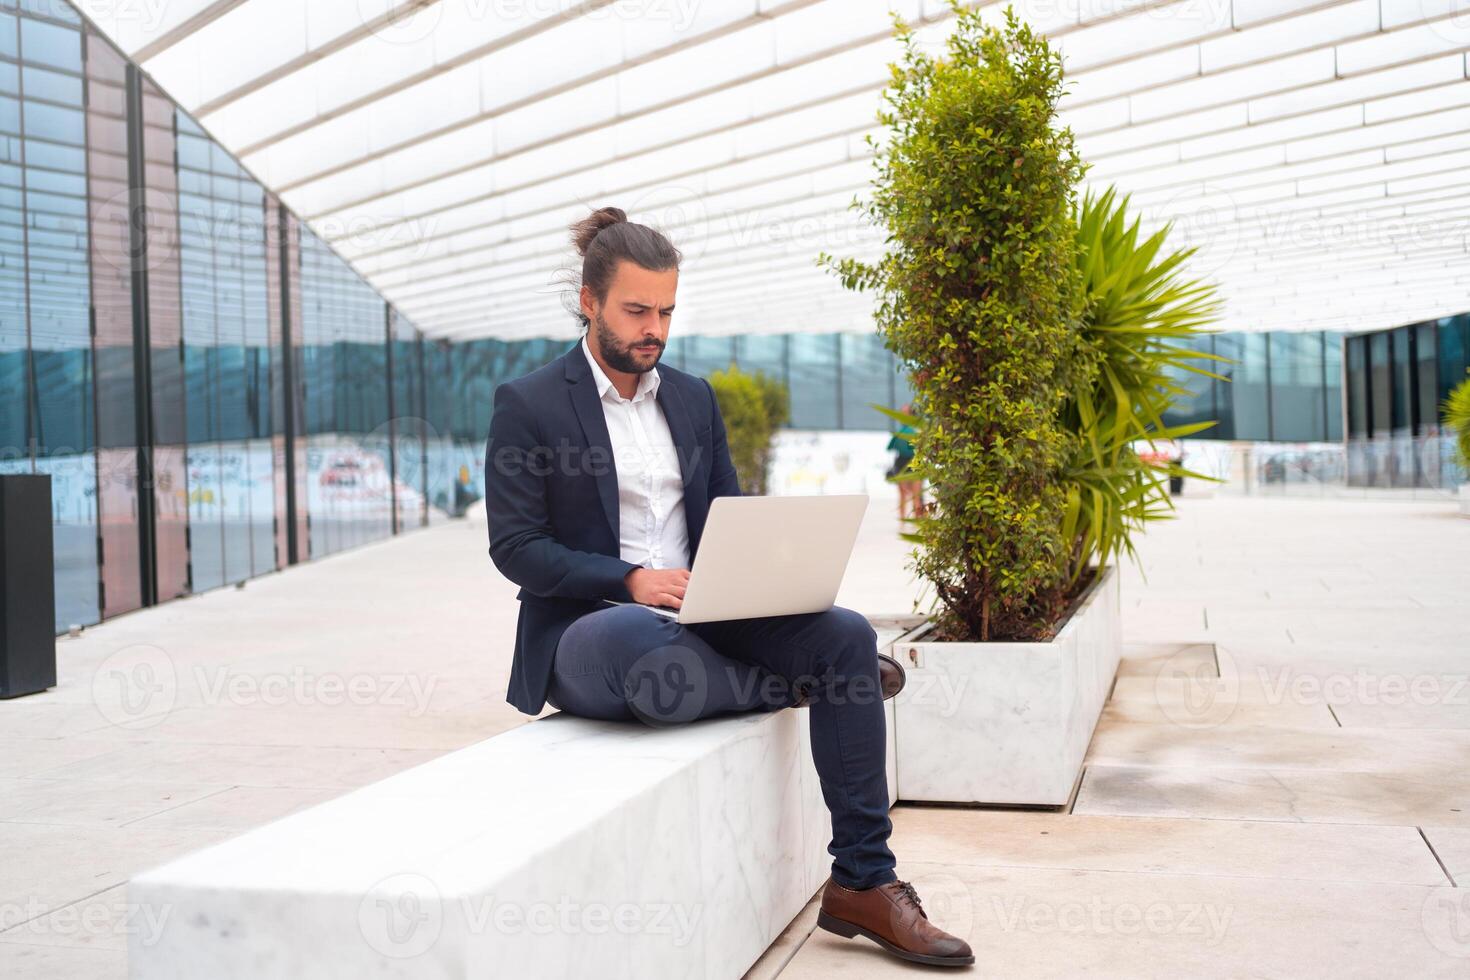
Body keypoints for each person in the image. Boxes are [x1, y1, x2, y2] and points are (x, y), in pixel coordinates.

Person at [482, 206, 974, 969]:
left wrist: (764, 571)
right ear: (589, 300)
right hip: (593, 628)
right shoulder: (530, 403)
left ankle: (863, 884)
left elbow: (723, 520)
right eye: (636, 310)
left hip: (704, 614)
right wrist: (632, 579)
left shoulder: (691, 398)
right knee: (651, 659)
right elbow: (516, 548)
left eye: (667, 311)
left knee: (844, 634)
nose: (655, 328)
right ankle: (806, 683)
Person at [886, 405, 923, 520]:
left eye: (904, 413)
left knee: (911, 496)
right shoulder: (913, 432)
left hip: (907, 463)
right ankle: (907, 521)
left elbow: (890, 447)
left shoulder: (903, 433)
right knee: (910, 496)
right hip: (907, 463)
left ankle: (911, 520)